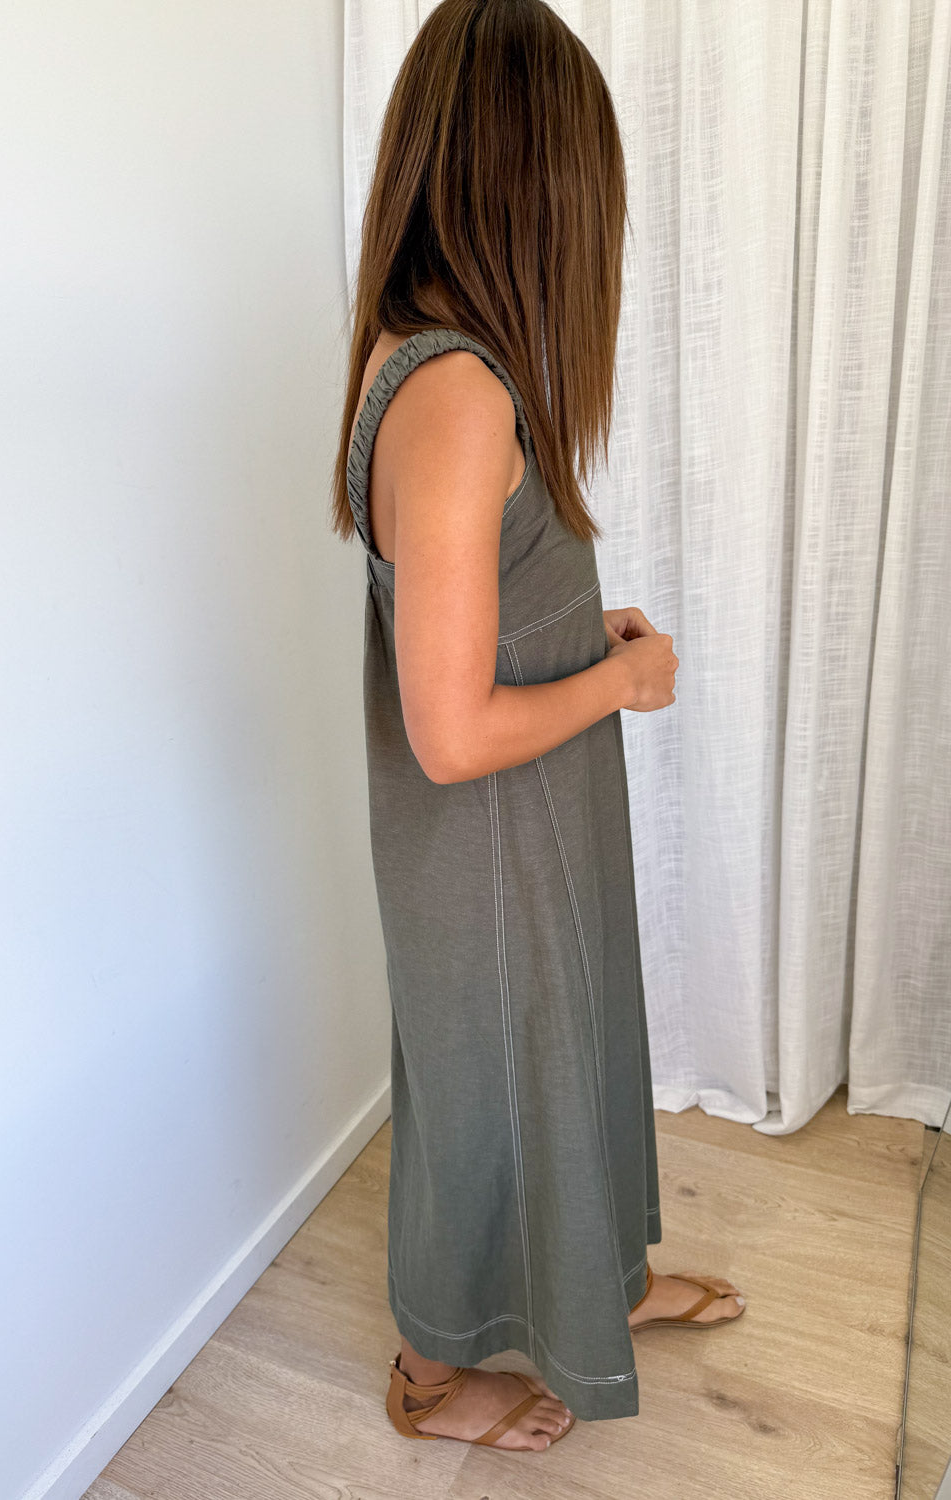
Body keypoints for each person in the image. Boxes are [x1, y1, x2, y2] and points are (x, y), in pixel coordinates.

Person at [332, 0, 745, 1454]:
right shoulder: (456, 395)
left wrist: (578, 629)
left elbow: (473, 614)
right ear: (531, 186)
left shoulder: (434, 356)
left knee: (571, 1060)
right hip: (488, 845)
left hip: (530, 834)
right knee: (486, 1094)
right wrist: (618, 684)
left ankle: (596, 1291)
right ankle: (428, 1381)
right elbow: (450, 731)